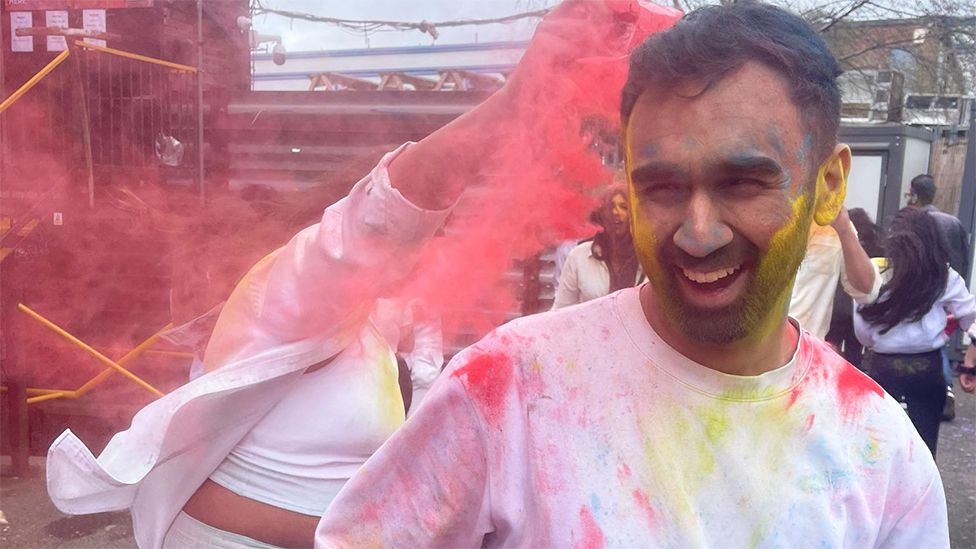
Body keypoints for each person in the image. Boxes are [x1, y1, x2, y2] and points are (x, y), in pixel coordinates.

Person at [46, 2, 681, 548]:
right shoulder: (290, 289)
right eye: (432, 224)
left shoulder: (387, 324)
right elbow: (385, 218)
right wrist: (519, 100)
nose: (439, 238)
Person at [315, 3, 949, 547]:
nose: (699, 233)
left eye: (743, 183)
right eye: (663, 187)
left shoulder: (880, 453)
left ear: (829, 185)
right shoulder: (509, 388)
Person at [853, 207, 974, 456]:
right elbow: (971, 317)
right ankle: (921, 493)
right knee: (924, 446)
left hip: (882, 367)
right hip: (927, 368)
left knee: (879, 446)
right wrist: (970, 360)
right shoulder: (942, 275)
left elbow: (862, 332)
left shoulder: (874, 272)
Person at [906, 174, 969, 421]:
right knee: (938, 340)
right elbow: (963, 256)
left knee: (923, 337)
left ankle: (912, 394)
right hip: (947, 289)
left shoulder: (913, 222)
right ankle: (947, 390)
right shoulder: (952, 222)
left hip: (918, 289)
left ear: (914, 193)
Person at [788, 205, 880, 339]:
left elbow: (867, 291)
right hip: (751, 348)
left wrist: (844, 230)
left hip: (807, 350)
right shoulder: (758, 216)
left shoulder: (835, 224)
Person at [552, 185, 643, 309]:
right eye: (610, 207)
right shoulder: (579, 256)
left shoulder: (649, 258)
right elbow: (561, 311)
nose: (616, 212)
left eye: (624, 207)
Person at [825, 207, 885, 367]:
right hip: (859, 306)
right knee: (854, 346)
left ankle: (833, 372)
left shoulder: (839, 241)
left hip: (838, 303)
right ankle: (853, 372)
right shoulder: (875, 244)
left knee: (831, 343)